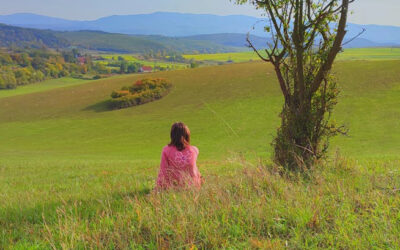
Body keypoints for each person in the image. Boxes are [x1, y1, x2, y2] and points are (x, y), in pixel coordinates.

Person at [156, 122, 202, 189]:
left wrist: (159, 187)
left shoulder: (166, 150)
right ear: (187, 135)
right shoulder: (195, 150)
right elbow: (195, 169)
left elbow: (163, 171)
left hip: (174, 188)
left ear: (172, 135)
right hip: (193, 187)